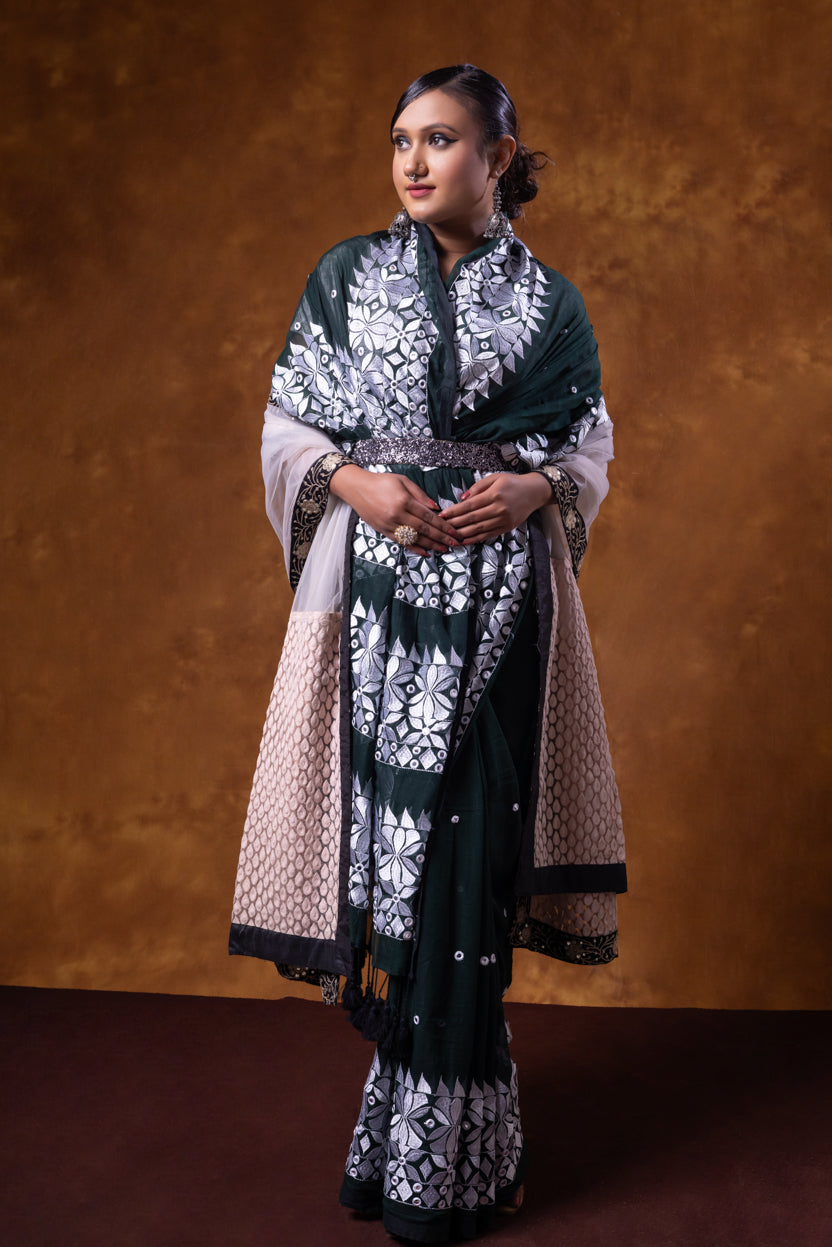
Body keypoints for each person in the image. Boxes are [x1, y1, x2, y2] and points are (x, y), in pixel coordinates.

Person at [230, 64, 626, 1244]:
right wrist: (360, 485)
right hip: (377, 611)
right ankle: (430, 1147)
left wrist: (532, 487)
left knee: (471, 847)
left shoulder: (551, 307)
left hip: (503, 611)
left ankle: (447, 1161)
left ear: (498, 158)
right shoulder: (344, 281)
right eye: (399, 139)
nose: (411, 161)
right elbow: (288, 422)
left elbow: (585, 443)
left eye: (440, 140)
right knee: (398, 855)